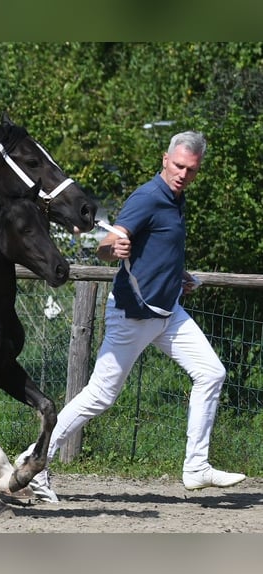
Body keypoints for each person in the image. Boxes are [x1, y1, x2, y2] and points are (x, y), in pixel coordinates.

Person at [16, 130, 246, 502]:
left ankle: (196, 467)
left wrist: (176, 276)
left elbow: (156, 249)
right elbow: (111, 244)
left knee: (211, 372)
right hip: (133, 316)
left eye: (191, 169)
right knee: (100, 396)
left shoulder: (176, 199)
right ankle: (34, 461)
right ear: (164, 160)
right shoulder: (148, 196)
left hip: (168, 313)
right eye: (178, 166)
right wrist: (112, 248)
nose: (183, 174)